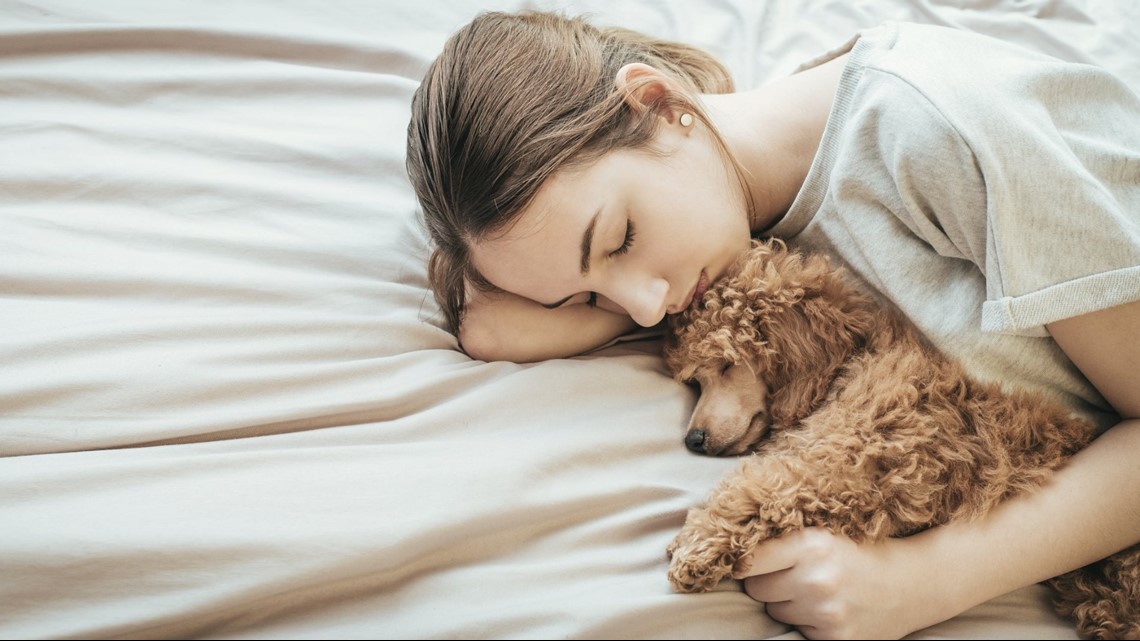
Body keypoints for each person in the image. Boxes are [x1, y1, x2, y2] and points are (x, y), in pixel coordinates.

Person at [405, 9, 1140, 639]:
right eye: (584, 299)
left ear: (657, 102)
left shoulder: (931, 134)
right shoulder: (715, 223)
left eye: (620, 239)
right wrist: (568, 288)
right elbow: (491, 329)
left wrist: (928, 581)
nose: (648, 309)